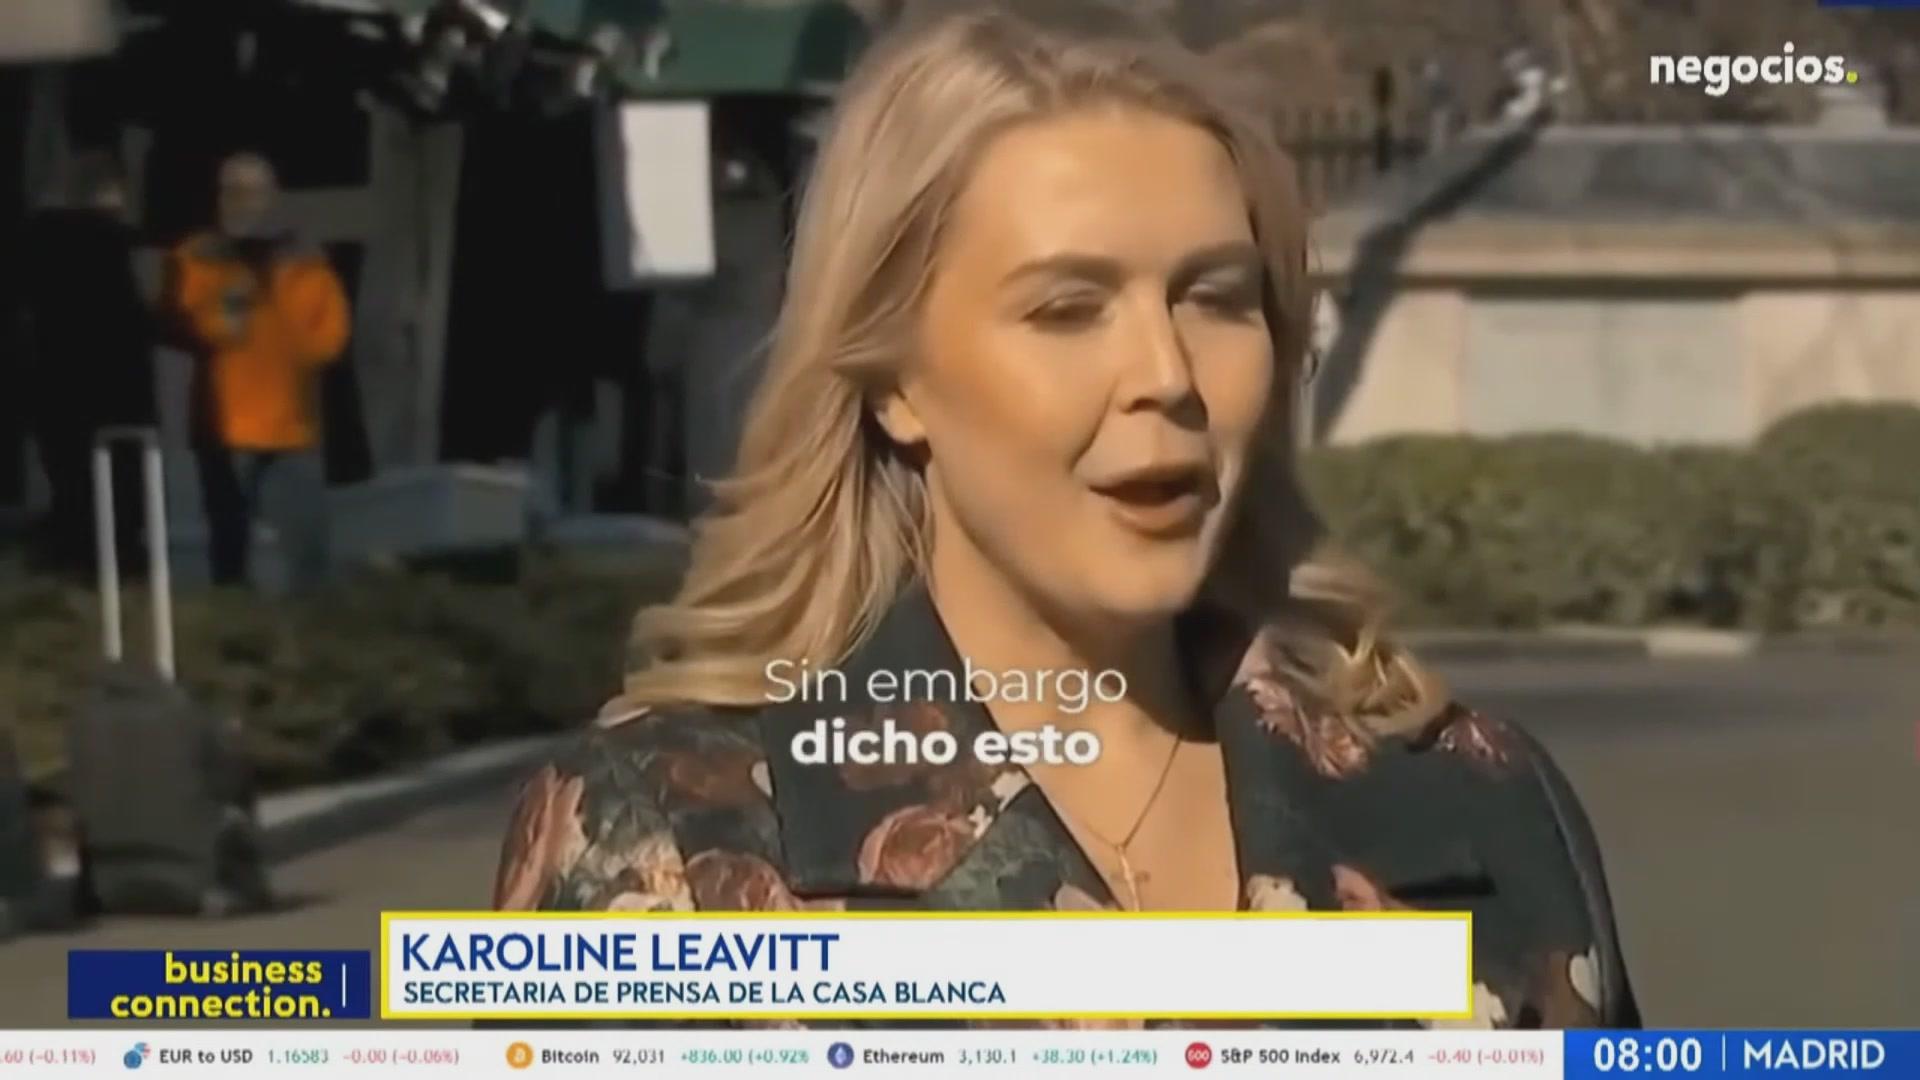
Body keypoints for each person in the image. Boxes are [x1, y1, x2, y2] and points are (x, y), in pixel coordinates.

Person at [491, 1, 1640, 1030]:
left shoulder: (1477, 800)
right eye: (1067, 308)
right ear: (895, 381)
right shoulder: (671, 841)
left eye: (1215, 298)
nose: (1166, 375)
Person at [165, 152, 349, 590]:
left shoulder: (307, 259)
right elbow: (181, 320)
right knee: (230, 545)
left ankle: (311, 622)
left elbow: (332, 331)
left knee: (308, 547)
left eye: (253, 191)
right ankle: (234, 621)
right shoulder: (196, 256)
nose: (241, 201)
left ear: (273, 197)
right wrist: (223, 323)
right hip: (225, 423)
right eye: (231, 191)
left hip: (294, 425)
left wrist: (297, 355)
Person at [14, 149, 156, 579]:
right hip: (115, 393)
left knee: (71, 485)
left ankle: (71, 566)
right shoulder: (116, 246)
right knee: (117, 495)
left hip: (55, 389)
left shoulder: (35, 243)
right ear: (111, 192)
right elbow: (133, 323)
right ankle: (111, 571)